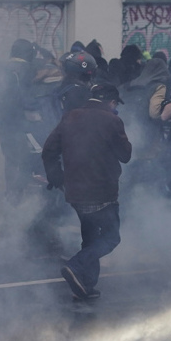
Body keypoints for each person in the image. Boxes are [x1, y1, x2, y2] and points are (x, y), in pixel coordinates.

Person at [42, 83, 132, 300]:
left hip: (75, 192)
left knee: (90, 238)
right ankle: (76, 265)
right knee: (111, 238)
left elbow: (48, 151)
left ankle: (86, 285)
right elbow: (125, 155)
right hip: (102, 192)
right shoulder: (112, 120)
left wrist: (57, 178)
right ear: (111, 102)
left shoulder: (70, 116)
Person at [0, 39, 40, 202]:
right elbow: (29, 97)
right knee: (25, 157)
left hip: (0, 119)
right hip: (20, 120)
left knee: (10, 158)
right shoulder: (27, 69)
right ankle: (18, 194)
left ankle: (11, 191)